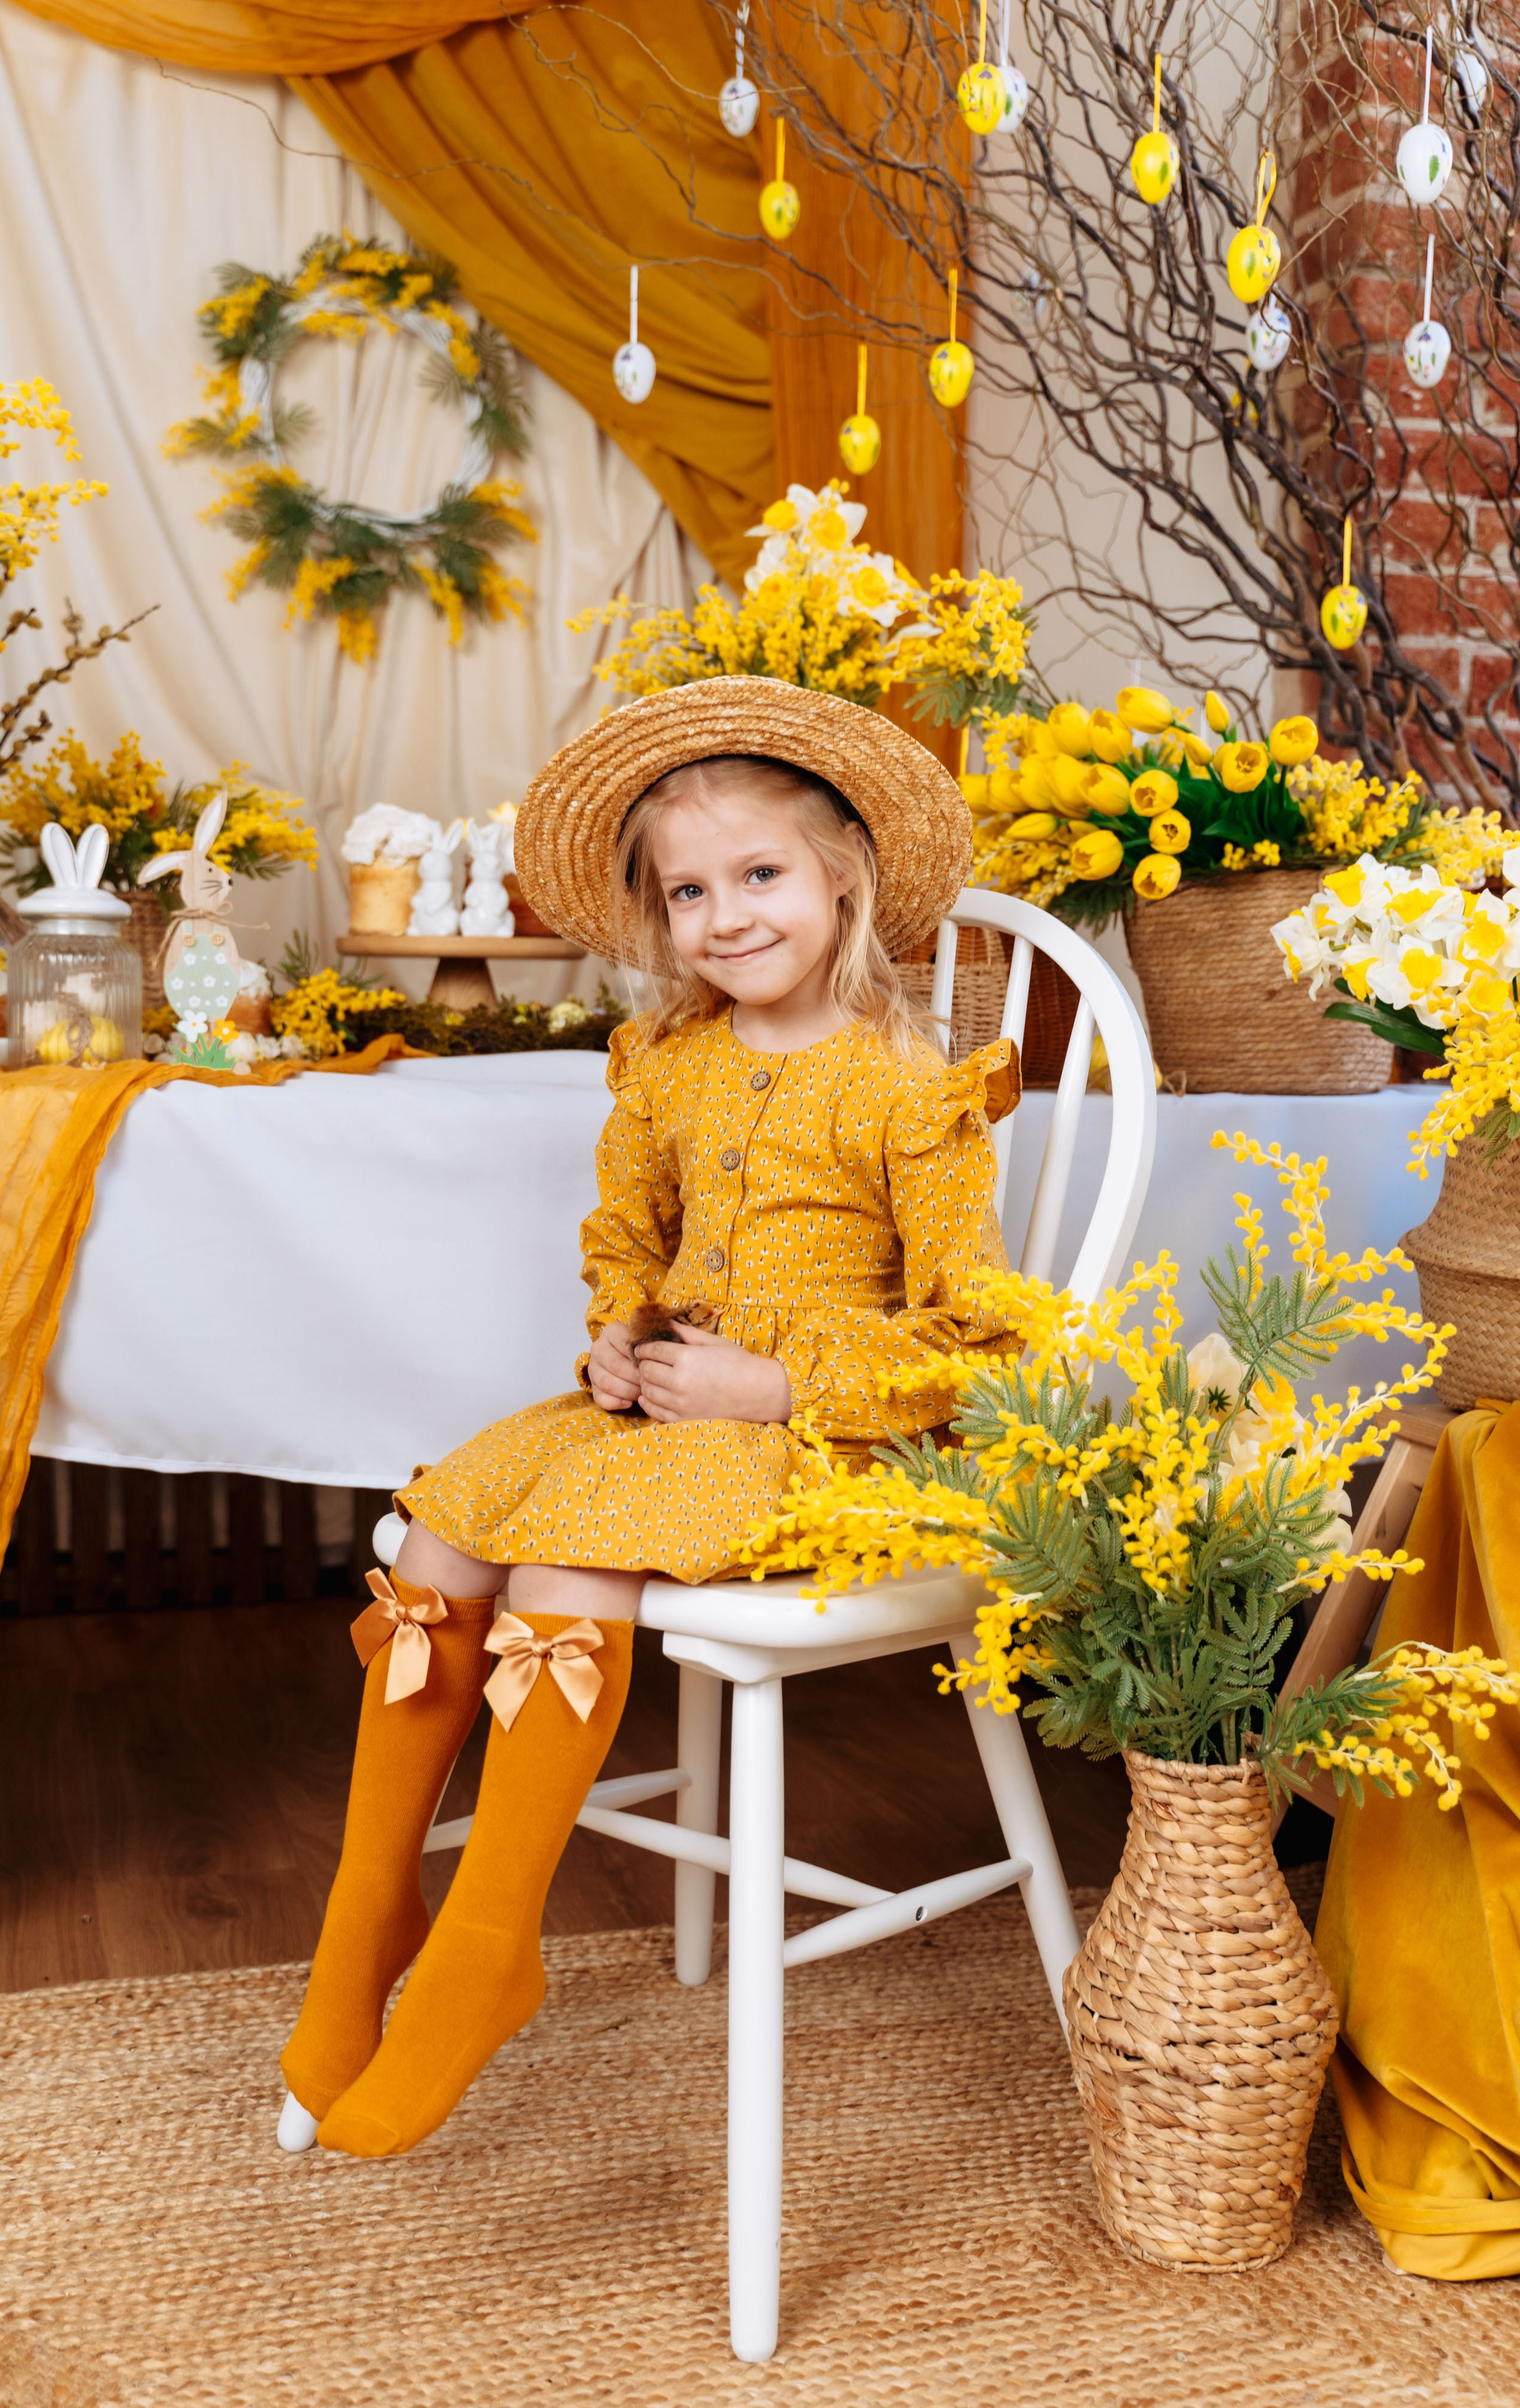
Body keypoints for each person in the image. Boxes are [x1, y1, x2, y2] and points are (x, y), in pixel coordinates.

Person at [278, 677, 1024, 2159]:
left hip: (827, 1445)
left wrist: (779, 1384)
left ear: (842, 881)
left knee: (563, 1569)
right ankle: (370, 1912)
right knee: (444, 1533)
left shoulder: (906, 1086)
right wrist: (618, 1334)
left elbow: (976, 1339)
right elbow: (628, 1235)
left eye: (758, 876)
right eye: (688, 892)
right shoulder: (666, 1066)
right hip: (660, 1418)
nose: (724, 917)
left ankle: (491, 1942)